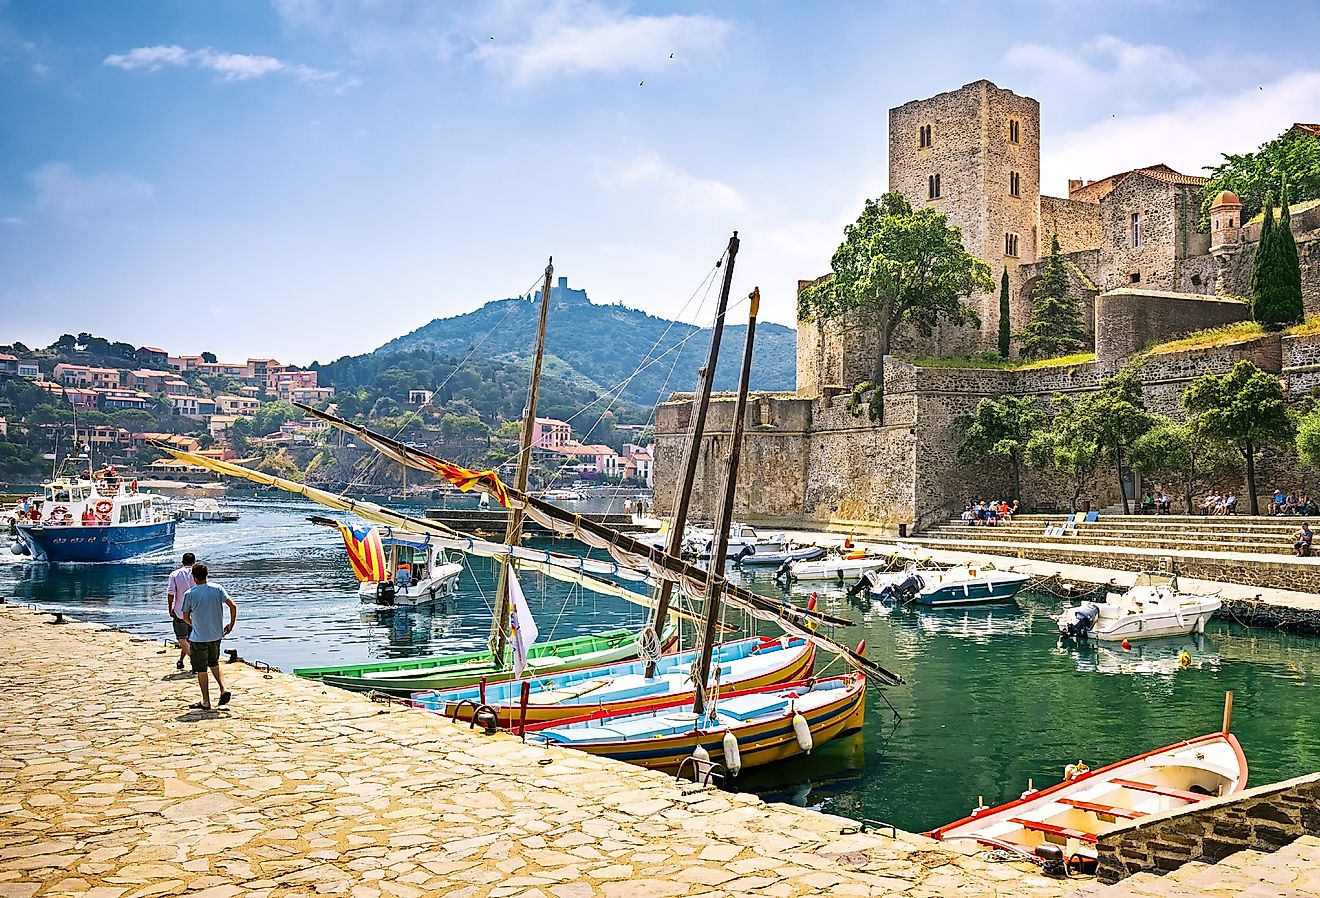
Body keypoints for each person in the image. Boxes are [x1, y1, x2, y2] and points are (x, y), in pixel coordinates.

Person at [181, 562, 236, 711]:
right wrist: (231, 624)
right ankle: (223, 688)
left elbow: (184, 616)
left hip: (199, 638)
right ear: (206, 575)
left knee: (201, 669)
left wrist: (194, 624)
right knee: (214, 663)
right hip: (216, 635)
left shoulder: (190, 594)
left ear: (194, 577)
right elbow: (233, 606)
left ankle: (206, 701)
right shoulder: (217, 589)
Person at [167, 552, 197, 671]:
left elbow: (171, 593)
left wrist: (170, 607)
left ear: (182, 562)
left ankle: (194, 660)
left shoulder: (174, 574)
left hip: (180, 610)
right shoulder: (198, 573)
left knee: (181, 638)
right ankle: (180, 661)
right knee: (189, 639)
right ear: (194, 561)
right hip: (196, 611)